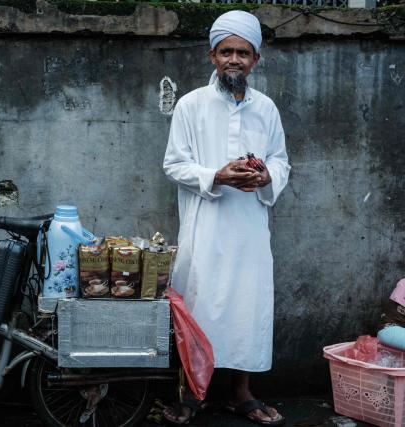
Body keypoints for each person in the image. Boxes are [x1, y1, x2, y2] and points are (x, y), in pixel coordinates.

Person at [161, 10, 290, 426]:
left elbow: (281, 161)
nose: (234, 59)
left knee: (247, 309)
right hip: (205, 227)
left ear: (255, 60)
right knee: (196, 306)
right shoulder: (190, 105)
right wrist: (216, 175)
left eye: (243, 53)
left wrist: (266, 174)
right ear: (212, 56)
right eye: (226, 51)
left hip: (251, 229)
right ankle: (190, 394)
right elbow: (174, 165)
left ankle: (241, 393)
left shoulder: (266, 109)